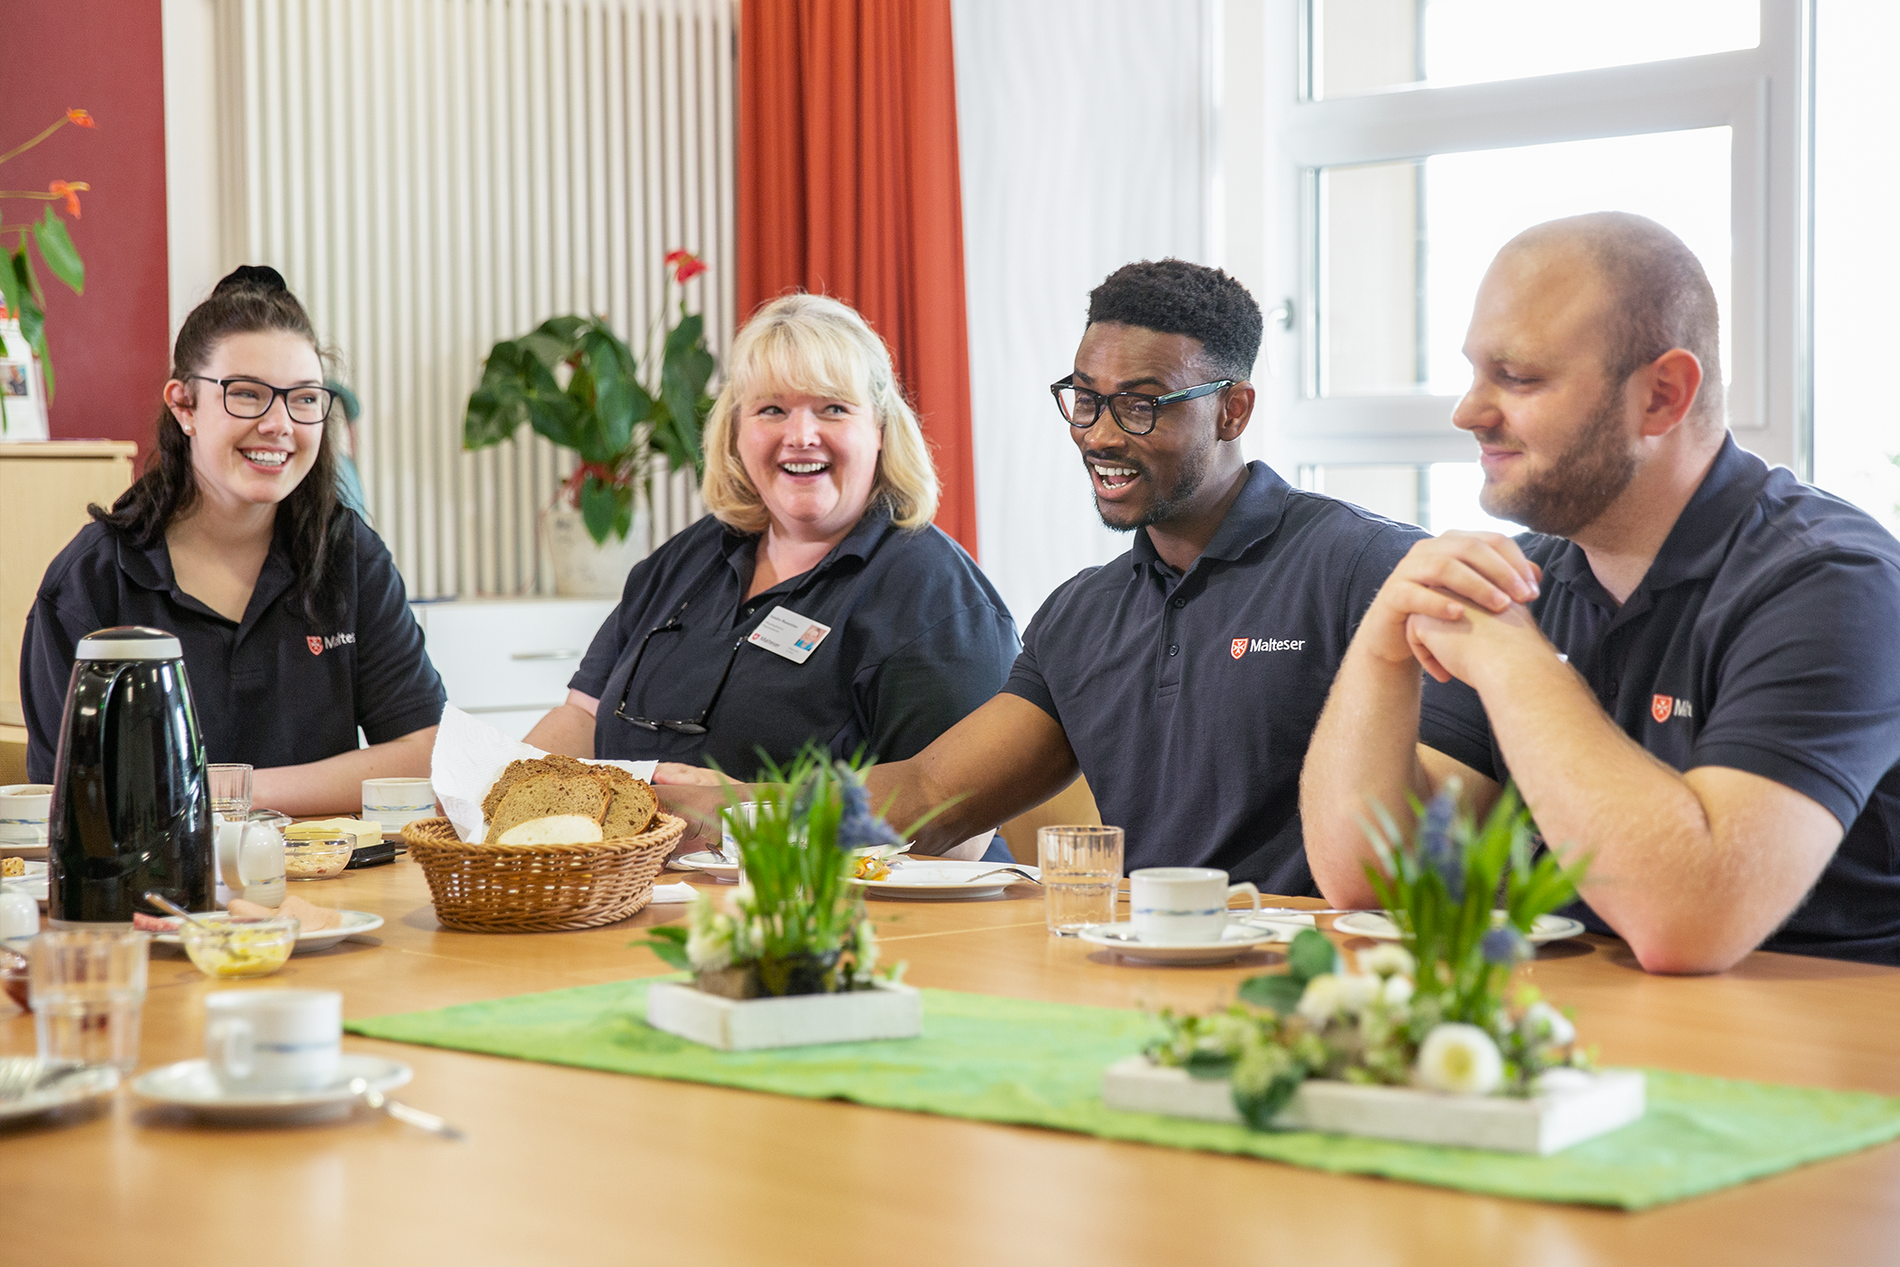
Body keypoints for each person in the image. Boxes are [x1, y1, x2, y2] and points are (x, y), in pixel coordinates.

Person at [679, 260, 1421, 887]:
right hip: (1141, 982)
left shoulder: (1362, 567)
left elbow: (1450, 831)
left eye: (1139, 405)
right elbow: (932, 793)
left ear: (1232, 411)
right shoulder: (1080, 616)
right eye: (1086, 399)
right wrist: (731, 805)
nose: (1099, 432)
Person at [1300, 212, 1900, 972]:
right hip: (1585, 1046)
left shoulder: (1833, 583)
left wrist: (1517, 662)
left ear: (1662, 396)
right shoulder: (1525, 581)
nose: (1469, 412)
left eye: (1517, 378)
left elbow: (1688, 921)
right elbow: (1373, 878)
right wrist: (1382, 642)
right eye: (1475, 371)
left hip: (1811, 1064)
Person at [524, 294, 1019, 846]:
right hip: (636, 895)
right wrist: (498, 804)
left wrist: (741, 816)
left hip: (841, 913)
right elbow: (581, 722)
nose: (800, 435)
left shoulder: (934, 593)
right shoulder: (685, 560)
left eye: (833, 408)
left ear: (879, 428)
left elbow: (956, 827)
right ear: (737, 430)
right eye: (772, 410)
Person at [20, 266, 445, 815]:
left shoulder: (346, 554)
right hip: (150, 896)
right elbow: (73, 803)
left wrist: (222, 792)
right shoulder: (91, 583)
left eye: (305, 399)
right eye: (247, 395)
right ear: (184, 405)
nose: (279, 423)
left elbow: (428, 755)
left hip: (330, 886)